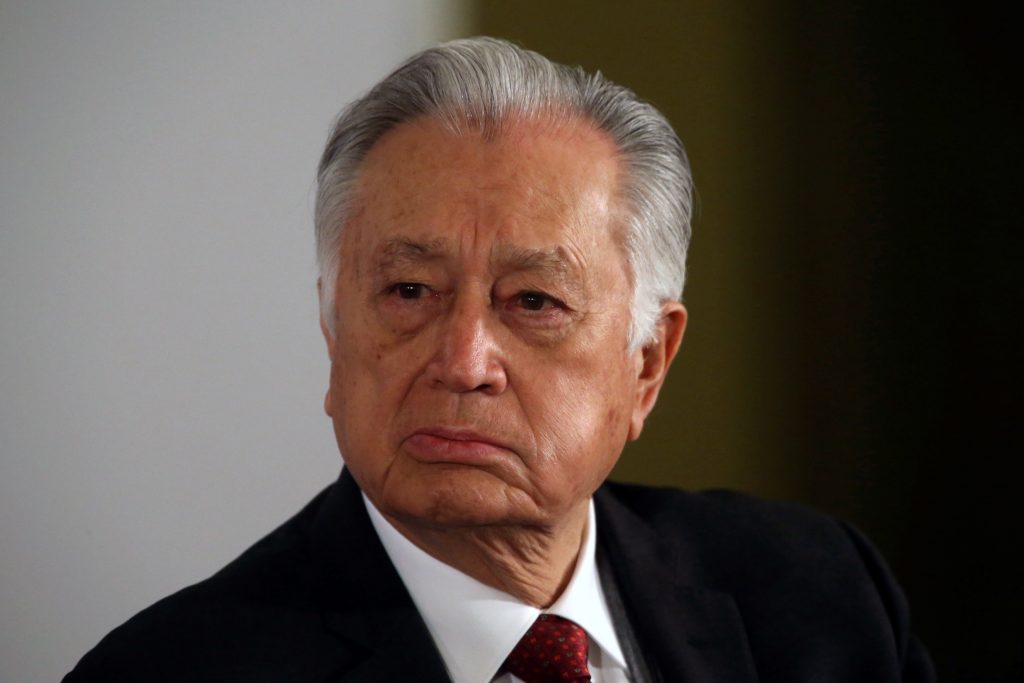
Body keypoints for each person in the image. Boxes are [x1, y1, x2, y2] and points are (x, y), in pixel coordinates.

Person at [64, 37, 934, 683]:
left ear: (647, 365)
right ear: (334, 333)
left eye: (533, 302)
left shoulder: (822, 598)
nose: (464, 360)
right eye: (408, 291)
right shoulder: (170, 669)